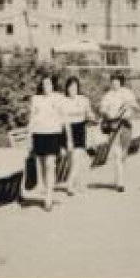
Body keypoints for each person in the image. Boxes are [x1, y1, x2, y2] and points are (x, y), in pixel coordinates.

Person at [27, 74, 65, 211]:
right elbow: (32, 118)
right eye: (44, 84)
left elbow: (63, 118)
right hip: (39, 134)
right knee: (43, 166)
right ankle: (46, 194)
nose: (46, 87)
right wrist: (29, 137)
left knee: (50, 164)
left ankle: (49, 197)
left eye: (48, 84)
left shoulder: (59, 98)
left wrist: (65, 140)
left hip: (53, 134)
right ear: (41, 86)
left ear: (52, 85)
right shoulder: (36, 99)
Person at [96, 72, 139, 192]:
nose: (115, 83)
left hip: (126, 125)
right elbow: (102, 109)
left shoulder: (128, 93)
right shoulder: (108, 95)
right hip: (113, 126)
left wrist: (131, 105)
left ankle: (119, 177)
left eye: (117, 81)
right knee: (116, 153)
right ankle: (120, 183)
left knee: (124, 153)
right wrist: (106, 113)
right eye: (113, 81)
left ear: (121, 81)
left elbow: (137, 108)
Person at [60, 75, 93, 195]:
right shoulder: (63, 101)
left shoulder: (83, 99)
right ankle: (76, 184)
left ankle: (70, 185)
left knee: (76, 159)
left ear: (78, 88)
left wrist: (91, 116)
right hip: (68, 130)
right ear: (67, 88)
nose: (72, 90)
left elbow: (89, 113)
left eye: (75, 87)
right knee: (72, 160)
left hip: (80, 129)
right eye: (70, 87)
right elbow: (65, 122)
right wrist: (69, 139)